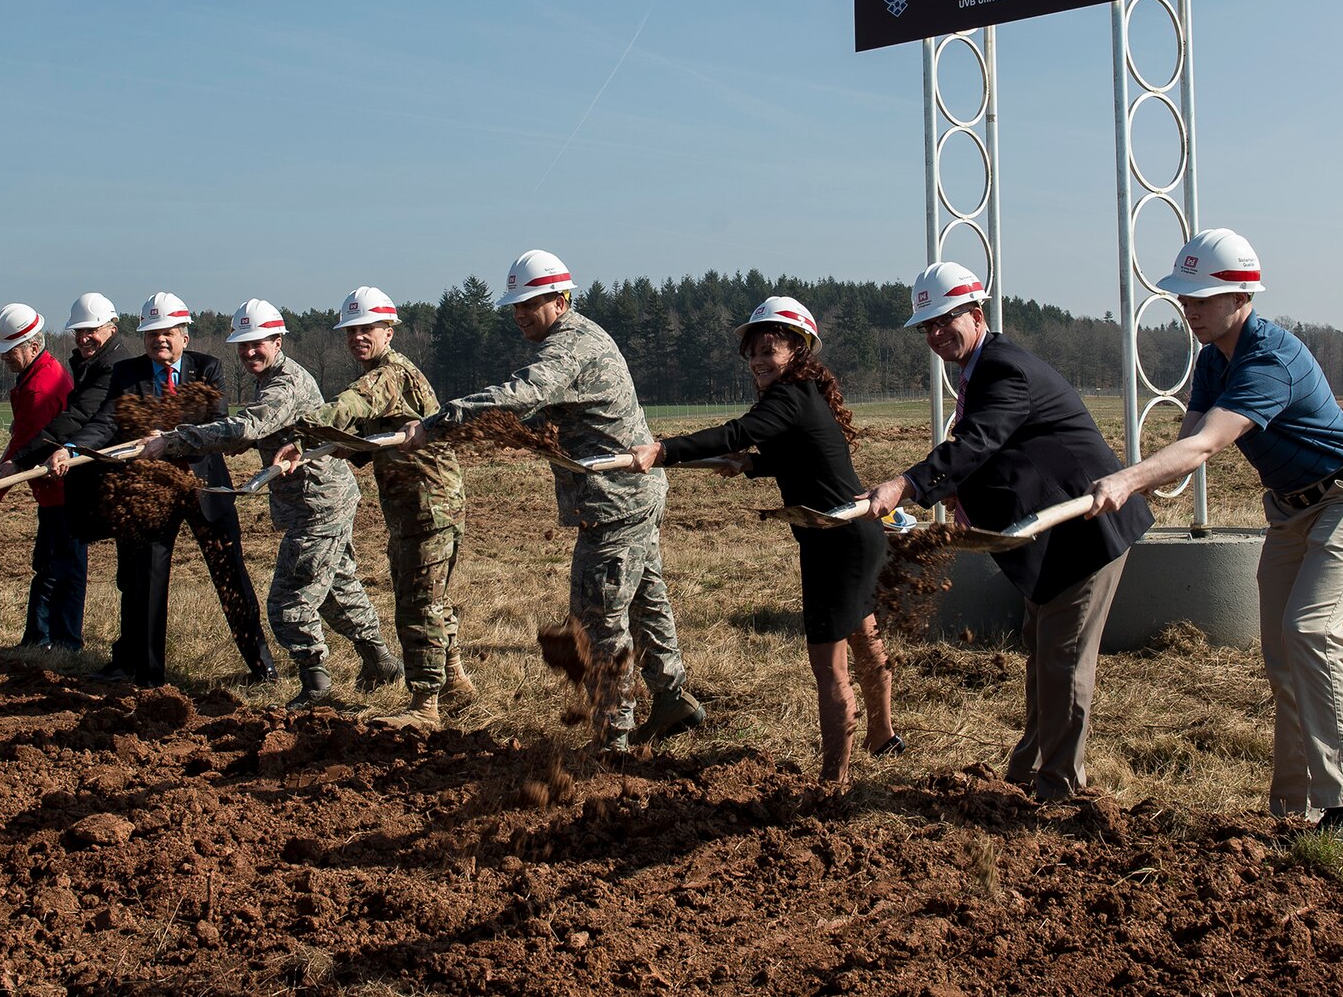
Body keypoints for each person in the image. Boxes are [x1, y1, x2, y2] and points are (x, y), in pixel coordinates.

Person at [1084, 229, 1343, 843]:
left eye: (1201, 297)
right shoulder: (1212, 359)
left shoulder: (1266, 360)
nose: (1189, 309)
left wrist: (1125, 479)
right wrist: (1131, 481)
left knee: (1312, 629)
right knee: (1282, 653)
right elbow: (1186, 441)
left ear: (1242, 294)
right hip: (1288, 510)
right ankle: (1294, 810)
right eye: (1184, 297)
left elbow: (1205, 445)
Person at [863, 263, 1153, 801]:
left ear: (976, 315)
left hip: (1083, 533)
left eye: (944, 321)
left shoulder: (1001, 369)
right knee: (1042, 650)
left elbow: (976, 443)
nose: (935, 335)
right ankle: (1028, 773)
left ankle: (1058, 789)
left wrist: (906, 484)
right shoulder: (979, 369)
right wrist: (958, 494)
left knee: (1063, 659)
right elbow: (1003, 453)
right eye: (926, 327)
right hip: (1054, 536)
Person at [399, 250, 704, 752]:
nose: (520, 315)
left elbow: (524, 394)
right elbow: (542, 414)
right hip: (631, 496)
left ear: (561, 300)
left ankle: (613, 739)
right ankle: (671, 699)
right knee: (647, 600)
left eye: (530, 304)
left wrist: (435, 423)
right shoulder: (576, 339)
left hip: (613, 503)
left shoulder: (570, 346)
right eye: (515, 306)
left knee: (595, 621)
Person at [629, 296, 895, 783]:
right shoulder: (807, 391)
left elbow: (737, 431)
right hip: (856, 533)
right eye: (751, 351)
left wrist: (664, 450)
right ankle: (882, 735)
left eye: (768, 349)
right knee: (864, 633)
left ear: (797, 348)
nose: (756, 360)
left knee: (830, 667)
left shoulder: (787, 397)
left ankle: (832, 783)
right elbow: (804, 452)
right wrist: (753, 464)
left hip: (831, 539)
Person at [141, 298, 400, 706]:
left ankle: (316, 686)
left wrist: (172, 440)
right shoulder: (270, 381)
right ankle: (381, 661)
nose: (249, 352)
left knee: (289, 601)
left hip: (319, 507)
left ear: (278, 341)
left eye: (258, 343)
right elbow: (259, 433)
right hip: (317, 503)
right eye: (243, 345)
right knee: (335, 589)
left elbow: (247, 427)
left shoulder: (285, 384)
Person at [272, 287, 467, 730]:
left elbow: (352, 405)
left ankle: (425, 705)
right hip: (421, 506)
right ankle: (454, 681)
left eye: (368, 329)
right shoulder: (388, 374)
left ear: (389, 331)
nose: (358, 337)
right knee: (432, 598)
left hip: (427, 507)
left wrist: (302, 436)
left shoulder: (388, 374)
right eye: (352, 330)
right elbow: (370, 433)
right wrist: (346, 449)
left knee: (418, 606)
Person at [79, 292, 278, 687]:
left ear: (184, 336)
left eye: (168, 332)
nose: (160, 341)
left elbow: (216, 421)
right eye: (152, 334)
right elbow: (106, 421)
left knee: (230, 574)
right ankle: (148, 674)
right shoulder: (127, 373)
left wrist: (168, 436)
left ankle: (262, 668)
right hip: (153, 492)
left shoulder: (208, 368)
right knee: (146, 580)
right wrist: (73, 449)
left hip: (205, 488)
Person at [1, 291, 132, 651]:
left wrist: (24, 458)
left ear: (111, 327)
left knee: (69, 564)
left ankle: (65, 641)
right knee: (50, 561)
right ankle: (40, 637)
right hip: (65, 473)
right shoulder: (87, 364)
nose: (84, 338)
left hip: (90, 478)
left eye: (92, 330)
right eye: (78, 331)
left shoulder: (111, 368)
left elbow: (77, 417)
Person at [0, 304, 76, 651]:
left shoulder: (40, 386)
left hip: (60, 489)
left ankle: (45, 640)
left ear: (33, 347)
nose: (5, 358)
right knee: (50, 564)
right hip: (52, 488)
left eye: (11, 352)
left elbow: (21, 449)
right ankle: (42, 637)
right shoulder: (40, 374)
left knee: (54, 566)